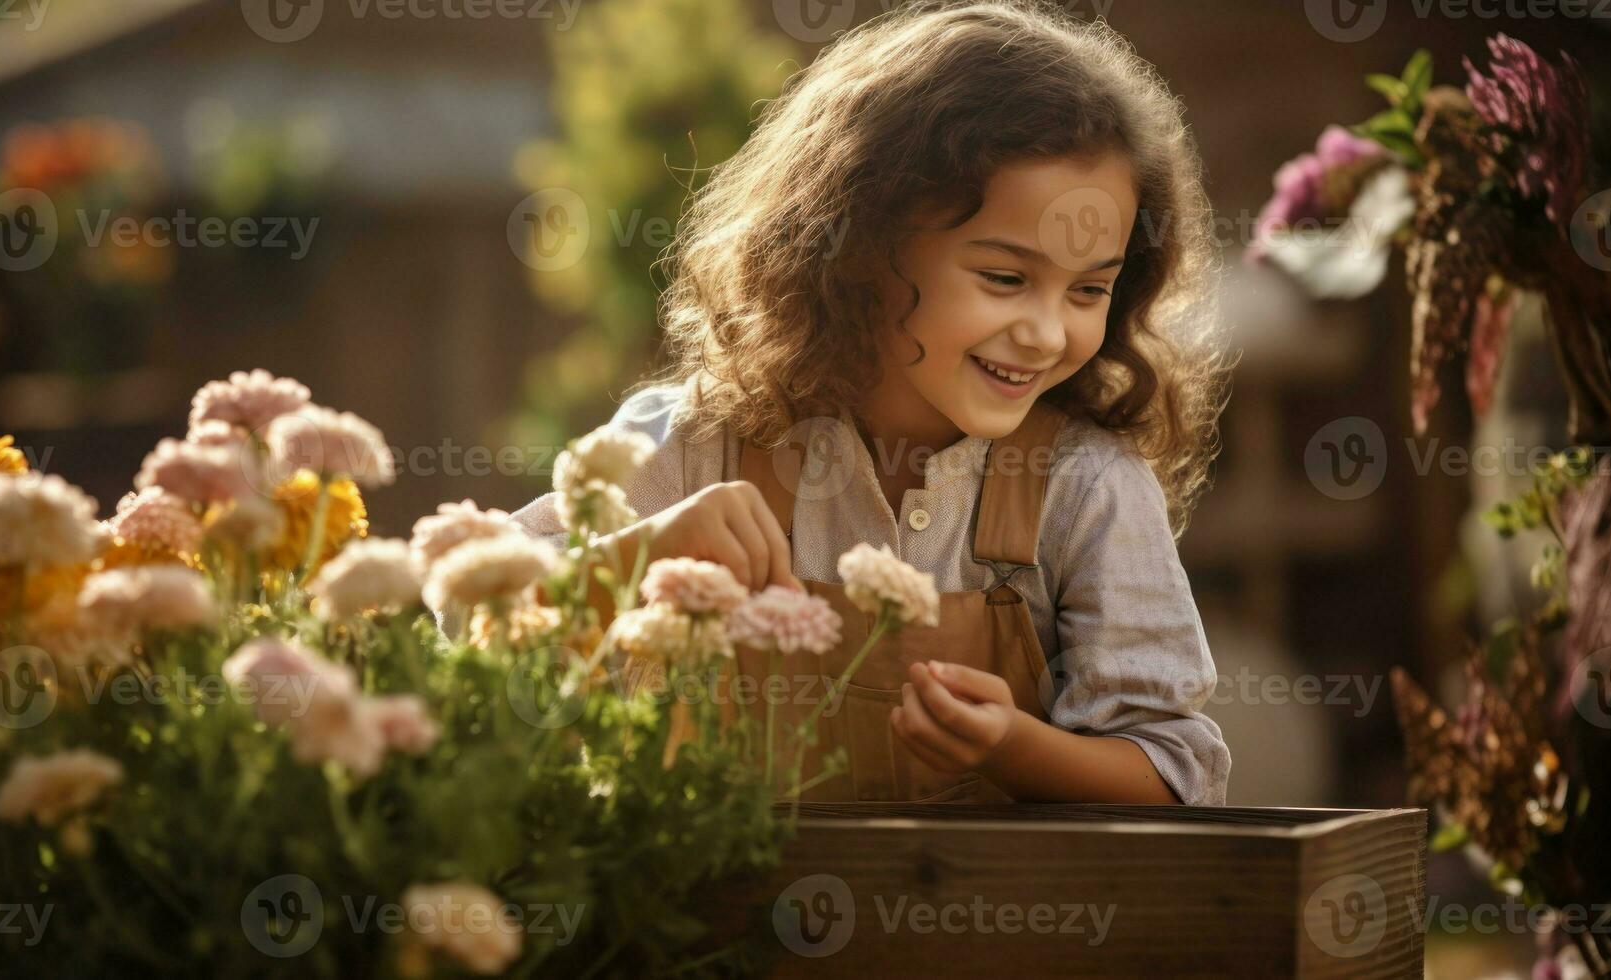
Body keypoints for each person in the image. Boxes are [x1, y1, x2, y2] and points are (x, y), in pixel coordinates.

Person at [513, 0, 1232, 806]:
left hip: (1002, 924)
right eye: (1004, 277)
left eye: (1088, 290)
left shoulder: (1088, 488)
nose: (1043, 331)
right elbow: (469, 631)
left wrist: (1013, 748)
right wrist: (641, 556)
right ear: (857, 248)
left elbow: (1174, 773)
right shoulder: (695, 443)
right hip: (720, 923)